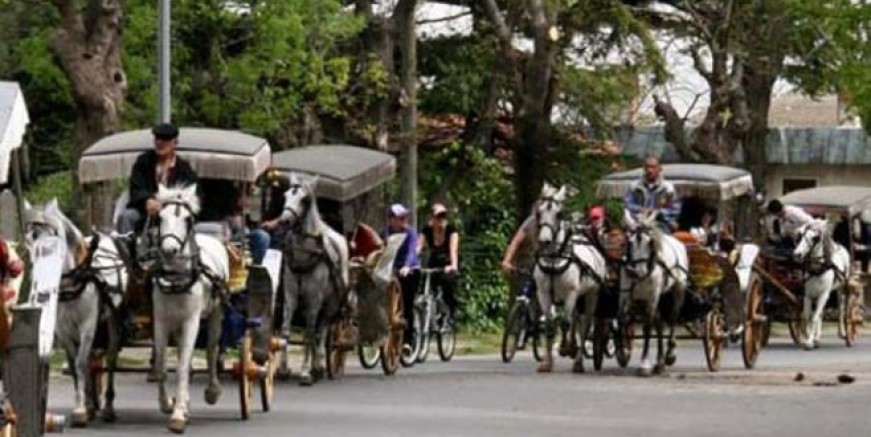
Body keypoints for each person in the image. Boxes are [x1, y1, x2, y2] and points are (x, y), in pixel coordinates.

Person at [116, 123, 198, 235]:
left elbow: (192, 194)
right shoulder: (143, 162)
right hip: (145, 213)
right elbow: (135, 188)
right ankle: (126, 249)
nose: (160, 143)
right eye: (157, 138)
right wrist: (147, 200)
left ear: (175, 143)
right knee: (127, 217)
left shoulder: (184, 169)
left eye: (165, 140)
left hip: (172, 214)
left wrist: (169, 206)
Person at [198, 179, 271, 264]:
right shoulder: (226, 189)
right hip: (219, 230)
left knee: (260, 237)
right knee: (261, 237)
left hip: (222, 228)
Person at [382, 204, 420, 353]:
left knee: (407, 302)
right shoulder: (385, 233)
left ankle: (408, 340)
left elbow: (412, 251)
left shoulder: (410, 233)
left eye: (405, 217)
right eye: (400, 217)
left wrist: (407, 266)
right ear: (391, 220)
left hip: (409, 269)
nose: (404, 220)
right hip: (391, 270)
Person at [418, 203, 460, 319]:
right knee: (424, 282)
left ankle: (451, 310)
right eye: (438, 216)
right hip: (434, 261)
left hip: (448, 262)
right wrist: (411, 262)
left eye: (443, 216)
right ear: (432, 218)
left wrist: (453, 266)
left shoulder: (451, 231)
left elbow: (453, 250)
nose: (441, 219)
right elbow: (418, 248)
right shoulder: (427, 230)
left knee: (447, 283)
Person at [623, 156, 681, 232]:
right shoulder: (635, 186)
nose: (649, 170)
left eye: (653, 167)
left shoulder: (668, 188)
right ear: (644, 169)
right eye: (647, 167)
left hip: (660, 225)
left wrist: (657, 212)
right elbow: (627, 204)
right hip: (637, 223)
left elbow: (675, 209)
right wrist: (640, 209)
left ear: (659, 168)